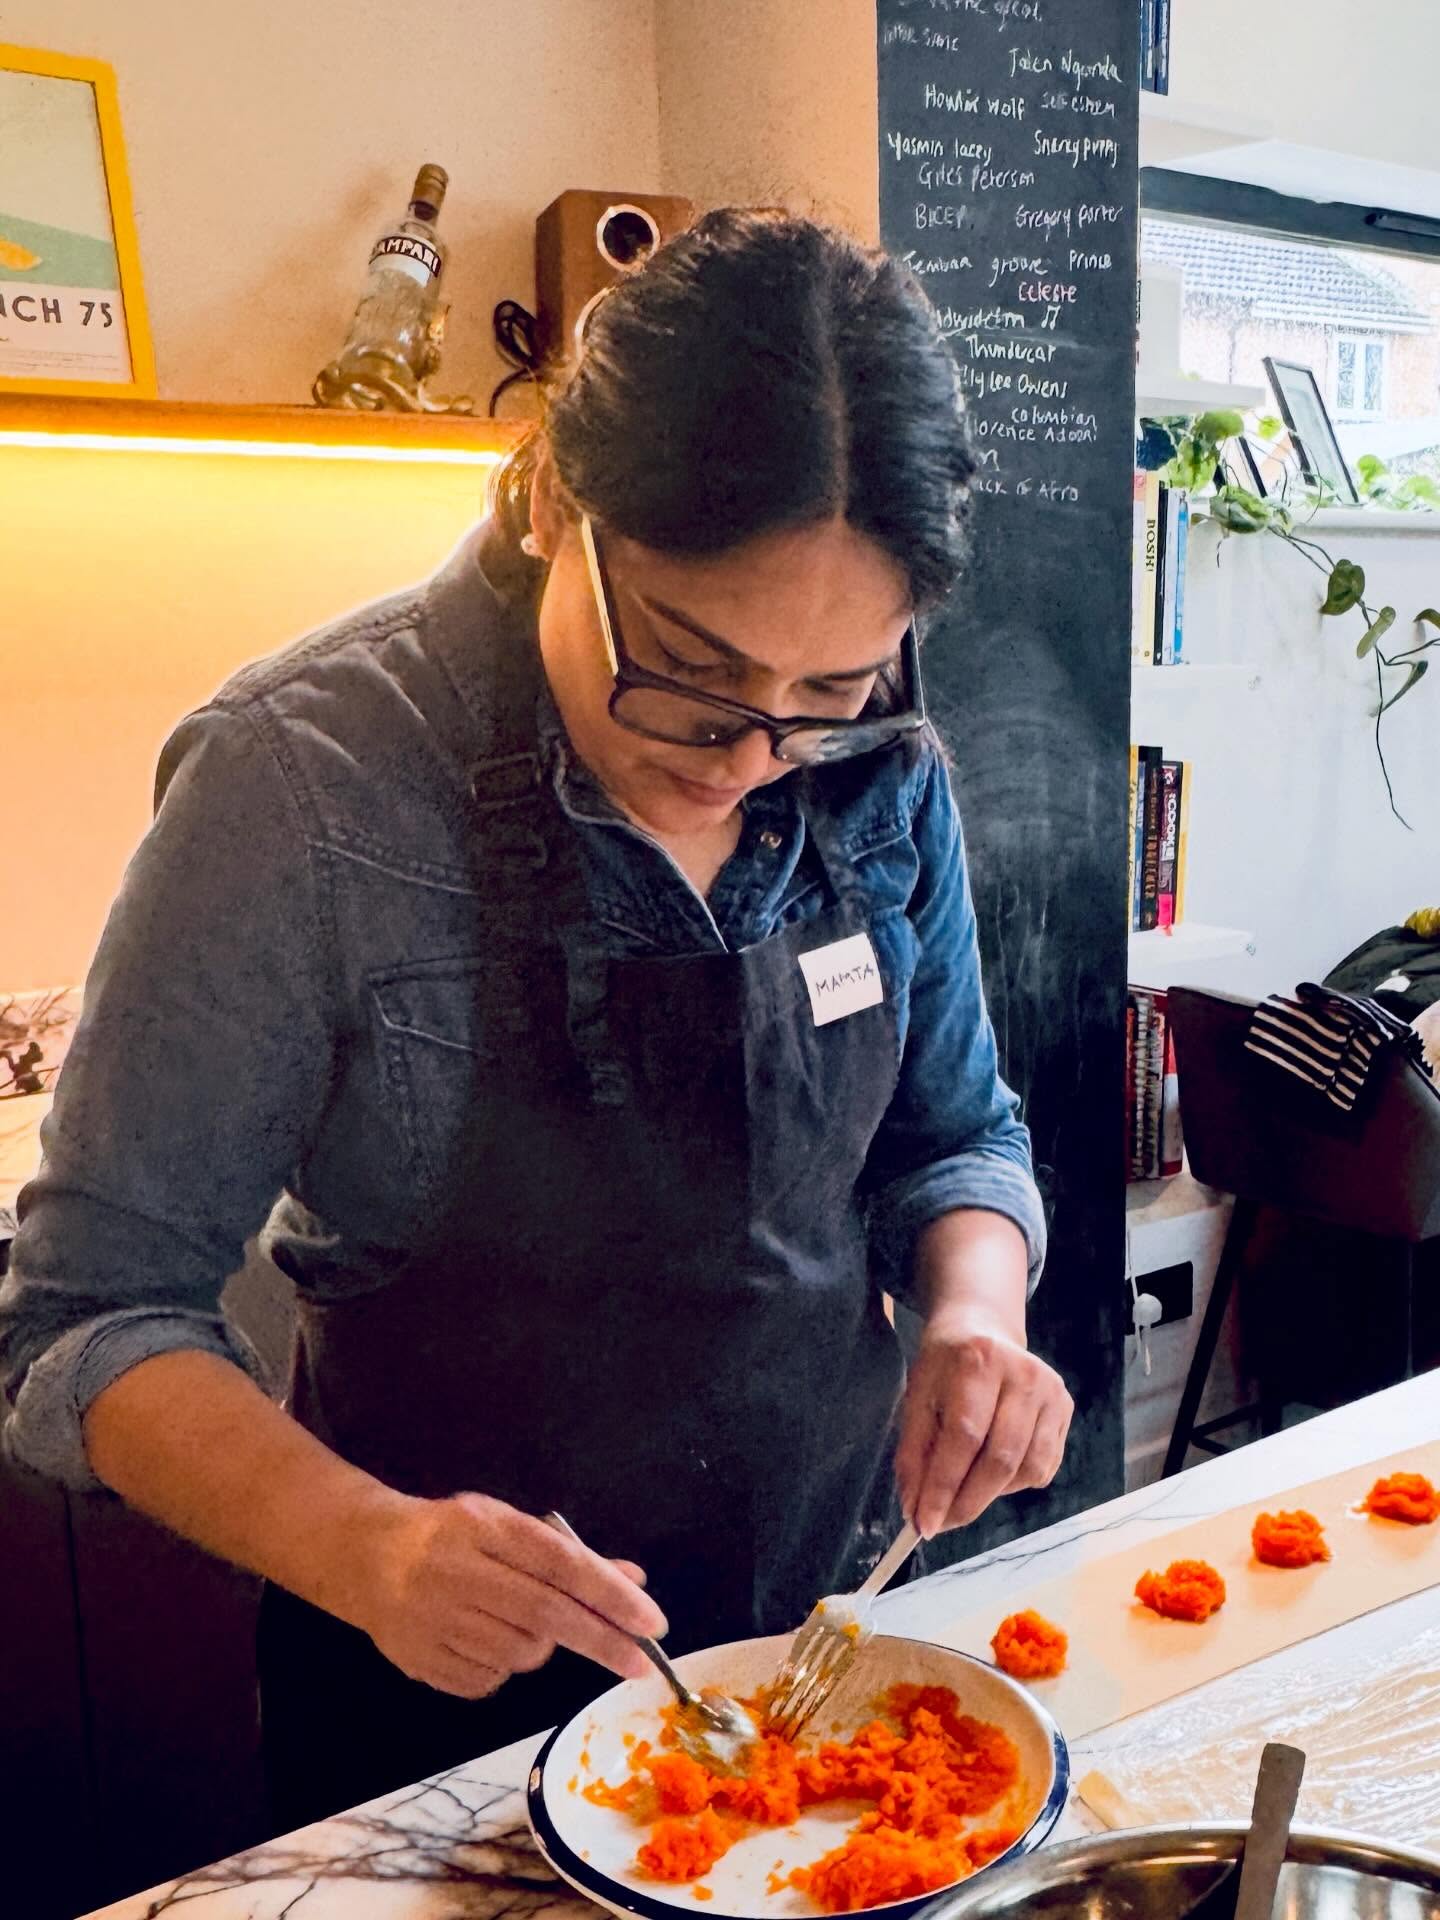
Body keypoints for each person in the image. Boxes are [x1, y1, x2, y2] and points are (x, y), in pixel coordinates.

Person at [0, 207, 1071, 1833]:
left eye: (830, 696)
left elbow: (957, 1136)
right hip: (442, 1721)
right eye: (696, 676)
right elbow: (82, 1323)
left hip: (827, 1663)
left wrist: (975, 1314)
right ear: (560, 499)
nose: (749, 758)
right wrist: (369, 1546)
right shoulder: (303, 787)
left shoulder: (879, 768)